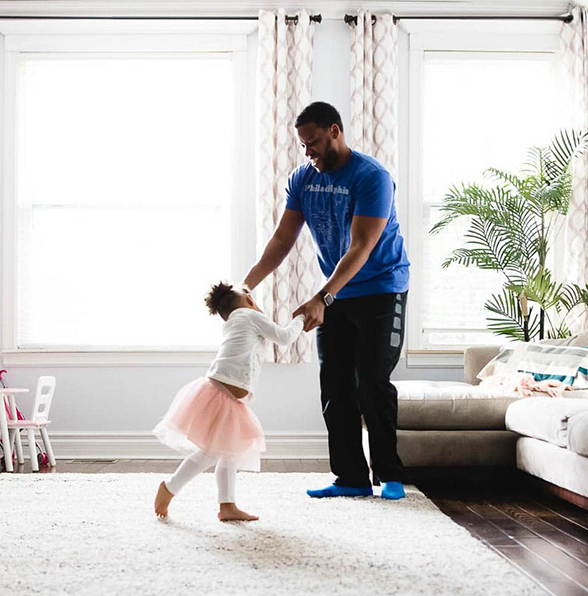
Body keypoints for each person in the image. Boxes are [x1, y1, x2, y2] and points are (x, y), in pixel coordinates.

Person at [242, 101, 410, 501]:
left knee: (372, 382)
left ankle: (389, 475)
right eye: (303, 144)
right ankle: (351, 478)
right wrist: (245, 287)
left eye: (313, 142)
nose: (308, 152)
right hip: (335, 291)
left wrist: (322, 297)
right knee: (335, 385)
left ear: (335, 131)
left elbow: (362, 245)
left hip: (381, 288)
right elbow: (283, 240)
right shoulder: (302, 179)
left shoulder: (372, 178)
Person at [153, 282, 304, 521]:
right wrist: (302, 318)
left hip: (224, 394)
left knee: (228, 453)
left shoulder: (236, 320)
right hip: (221, 395)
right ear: (245, 302)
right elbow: (284, 337)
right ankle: (169, 487)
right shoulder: (248, 315)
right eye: (248, 295)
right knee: (211, 452)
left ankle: (227, 505)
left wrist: (249, 301)